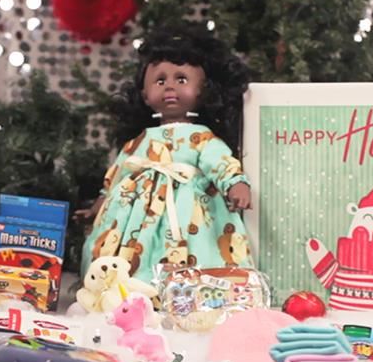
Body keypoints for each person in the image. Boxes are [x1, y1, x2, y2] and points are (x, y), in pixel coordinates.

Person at [75, 25, 254, 282]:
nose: (170, 87)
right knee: (126, 255)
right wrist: (97, 207)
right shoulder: (138, 141)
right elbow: (116, 177)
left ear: (203, 90)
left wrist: (235, 184)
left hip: (187, 215)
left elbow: (221, 162)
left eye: (181, 80)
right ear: (145, 95)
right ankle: (126, 286)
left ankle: (192, 287)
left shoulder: (201, 137)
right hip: (135, 215)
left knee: (196, 249)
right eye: (160, 81)